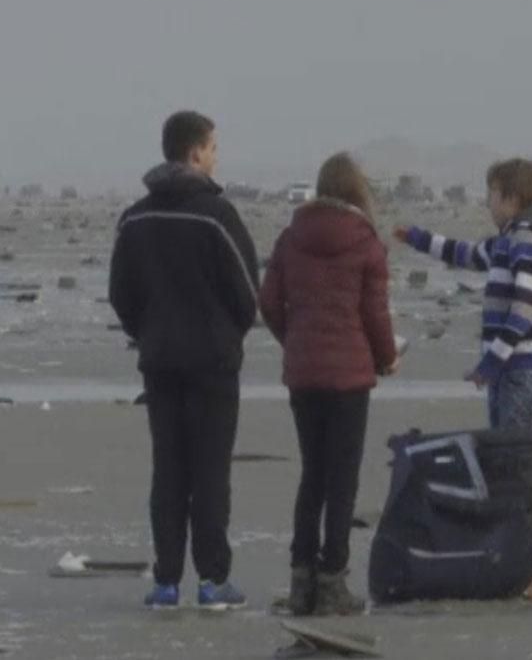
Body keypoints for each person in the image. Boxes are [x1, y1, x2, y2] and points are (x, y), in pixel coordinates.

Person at [109, 111, 260, 610]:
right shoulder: (216, 217)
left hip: (161, 362)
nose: (217, 157)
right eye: (213, 148)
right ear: (195, 153)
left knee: (169, 470)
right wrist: (226, 336)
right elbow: (246, 293)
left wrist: (148, 332)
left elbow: (120, 294)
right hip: (211, 364)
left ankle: (167, 580)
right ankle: (212, 580)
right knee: (210, 471)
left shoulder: (135, 218)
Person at [394, 158, 532, 598]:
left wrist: (492, 362)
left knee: (522, 474)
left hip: (522, 372)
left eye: (491, 196)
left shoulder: (529, 245)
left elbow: (524, 311)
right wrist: (417, 239)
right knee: (509, 471)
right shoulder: (505, 243)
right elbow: (465, 254)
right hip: (507, 371)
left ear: (510, 198)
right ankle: (523, 564)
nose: (487, 204)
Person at [260, 153, 399, 616]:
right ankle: (333, 581)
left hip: (304, 374)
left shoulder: (290, 237)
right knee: (342, 482)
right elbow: (375, 315)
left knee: (312, 477)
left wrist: (293, 340)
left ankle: (301, 581)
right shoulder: (366, 243)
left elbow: (269, 302)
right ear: (358, 192)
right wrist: (387, 358)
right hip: (349, 376)